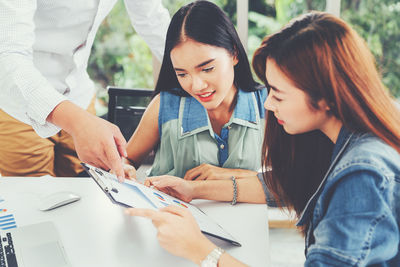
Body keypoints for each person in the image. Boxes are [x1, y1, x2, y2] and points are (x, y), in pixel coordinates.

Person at [126, 11, 400, 266]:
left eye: (278, 94)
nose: (267, 103)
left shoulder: (362, 175)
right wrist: (193, 189)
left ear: (326, 96)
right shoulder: (339, 141)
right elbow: (284, 182)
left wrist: (201, 249)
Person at [0, 0, 170, 178]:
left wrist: (194, 71)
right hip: (21, 106)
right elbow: (7, 54)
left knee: (83, 197)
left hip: (80, 98)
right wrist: (79, 123)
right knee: (32, 199)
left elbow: (152, 20)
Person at [122, 1, 267, 183]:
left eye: (207, 69)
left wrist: (231, 174)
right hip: (169, 210)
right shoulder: (164, 106)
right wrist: (124, 168)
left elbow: (293, 179)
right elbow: (127, 160)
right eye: (182, 74)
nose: (197, 86)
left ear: (234, 54)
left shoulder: (268, 105)